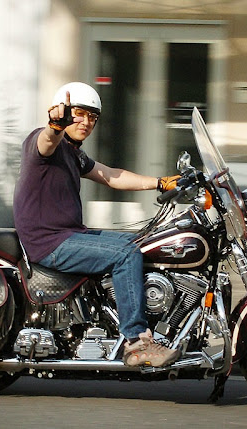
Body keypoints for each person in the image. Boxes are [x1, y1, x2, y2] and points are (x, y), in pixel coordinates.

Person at [13, 82, 181, 367]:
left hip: (69, 234)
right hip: (49, 242)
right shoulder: (41, 142)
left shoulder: (74, 154)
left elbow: (111, 176)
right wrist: (54, 126)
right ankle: (137, 342)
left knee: (138, 243)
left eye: (92, 117)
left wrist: (160, 182)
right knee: (126, 255)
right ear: (63, 112)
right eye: (79, 114)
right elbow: (46, 142)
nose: (86, 122)